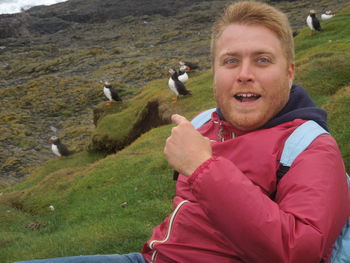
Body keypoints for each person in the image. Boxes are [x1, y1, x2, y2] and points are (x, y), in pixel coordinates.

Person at [15, 1, 349, 263]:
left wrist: (204, 168)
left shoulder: (311, 148)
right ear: (215, 71)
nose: (244, 74)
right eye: (230, 61)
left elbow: (301, 253)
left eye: (262, 60)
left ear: (290, 72)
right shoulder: (205, 122)